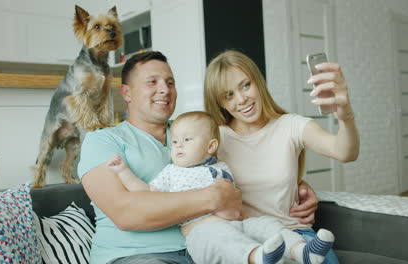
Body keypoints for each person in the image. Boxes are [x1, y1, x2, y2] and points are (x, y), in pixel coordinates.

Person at [78, 51, 319, 264]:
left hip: (206, 248)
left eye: (170, 82)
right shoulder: (103, 140)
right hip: (138, 255)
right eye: (152, 82)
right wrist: (213, 197)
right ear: (126, 93)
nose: (164, 89)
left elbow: (252, 159)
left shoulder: (193, 131)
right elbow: (127, 213)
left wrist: (296, 185)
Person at [106, 111, 335, 264]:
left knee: (266, 224)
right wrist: (123, 172)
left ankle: (302, 251)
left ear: (211, 146)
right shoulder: (172, 172)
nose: (178, 146)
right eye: (175, 141)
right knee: (221, 238)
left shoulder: (222, 165)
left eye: (187, 140)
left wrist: (299, 183)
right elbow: (146, 193)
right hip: (202, 234)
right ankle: (256, 256)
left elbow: (261, 176)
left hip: (239, 224)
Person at [201, 50, 360, 264]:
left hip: (296, 235)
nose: (242, 99)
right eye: (228, 95)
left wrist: (345, 115)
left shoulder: (291, 125)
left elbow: (345, 153)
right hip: (247, 241)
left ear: (258, 81)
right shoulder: (216, 139)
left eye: (245, 85)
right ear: (220, 103)